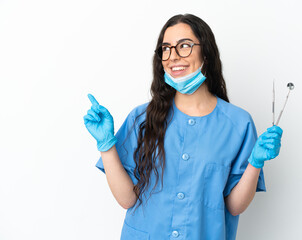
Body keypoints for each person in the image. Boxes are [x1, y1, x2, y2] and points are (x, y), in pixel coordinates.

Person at [83, 13, 283, 240]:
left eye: (184, 46)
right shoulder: (141, 117)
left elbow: (234, 206)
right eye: (166, 49)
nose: (173, 56)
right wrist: (106, 145)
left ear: (206, 53)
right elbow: (127, 199)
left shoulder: (238, 123)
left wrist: (255, 163)